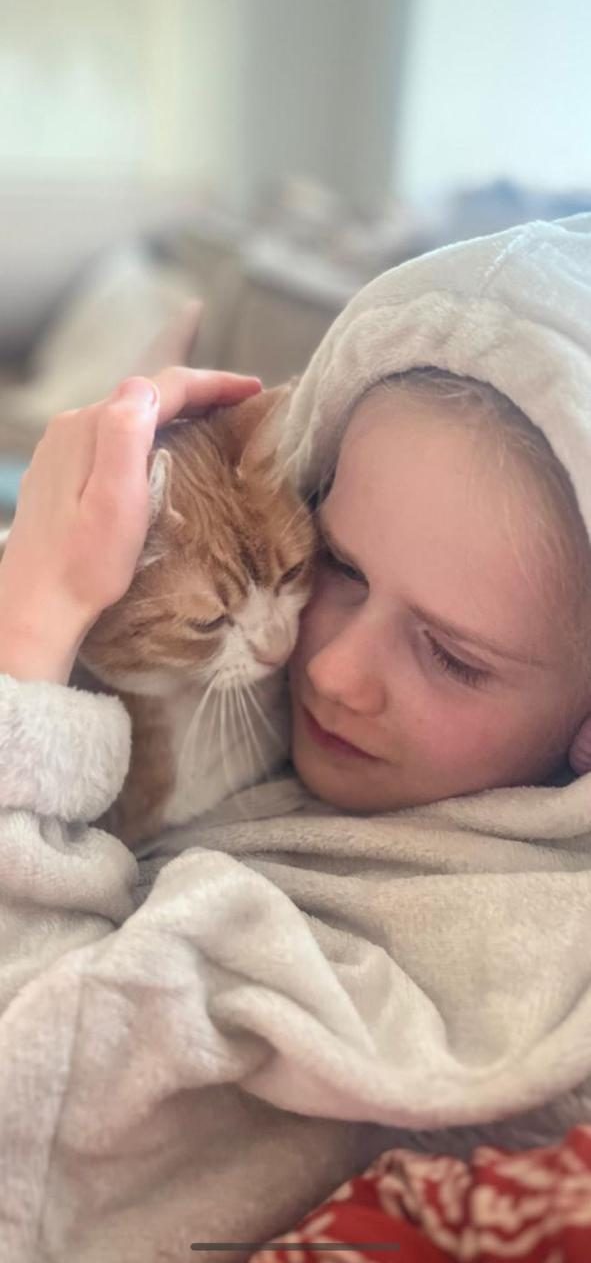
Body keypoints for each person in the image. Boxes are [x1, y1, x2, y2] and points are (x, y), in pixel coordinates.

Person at [2, 215, 591, 1263]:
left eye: (452, 655)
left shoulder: (483, 963)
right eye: (343, 568)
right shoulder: (304, 722)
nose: (324, 670)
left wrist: (26, 642)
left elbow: (39, 1132)